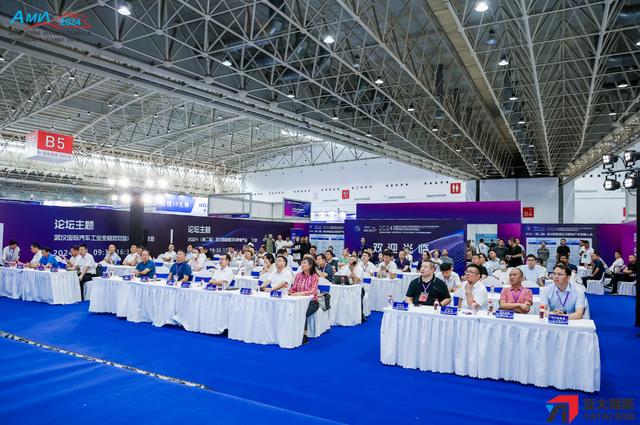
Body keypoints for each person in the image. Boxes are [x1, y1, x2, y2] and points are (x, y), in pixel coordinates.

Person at [289, 257, 320, 341]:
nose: (302, 265)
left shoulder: (315, 276)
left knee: (302, 312)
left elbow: (313, 291)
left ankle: (304, 335)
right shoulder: (298, 275)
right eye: (302, 263)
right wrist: (290, 291)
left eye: (304, 263)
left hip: (312, 302)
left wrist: (301, 293)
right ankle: (292, 332)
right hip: (299, 301)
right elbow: (294, 288)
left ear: (310, 265)